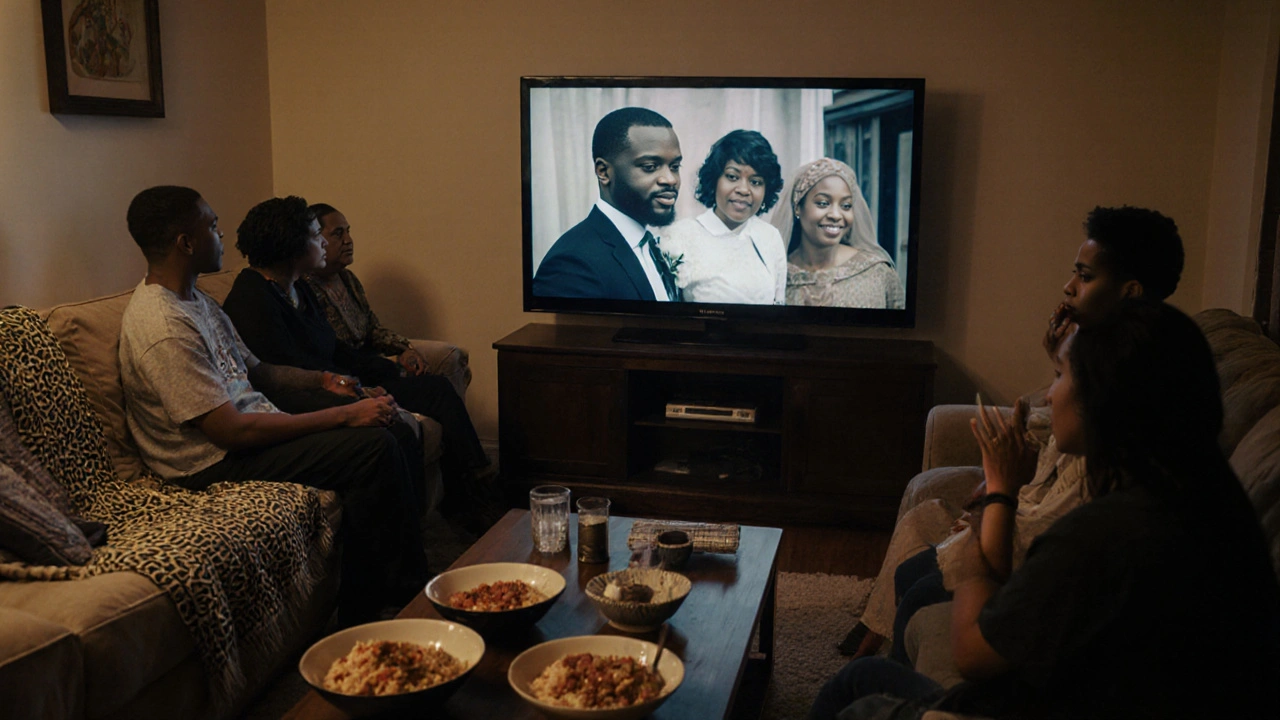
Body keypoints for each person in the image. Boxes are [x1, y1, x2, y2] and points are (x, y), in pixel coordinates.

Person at [811, 300, 1280, 720]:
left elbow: (973, 655)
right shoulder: (1209, 495)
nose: (1050, 394)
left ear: (1102, 398)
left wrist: (975, 547)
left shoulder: (1103, 535)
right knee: (859, 678)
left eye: (1060, 376)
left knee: (863, 700)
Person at [839, 205, 1186, 660]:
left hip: (1020, 533)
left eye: (1084, 276)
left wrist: (996, 495)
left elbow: (1043, 508)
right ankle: (873, 629)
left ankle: (875, 648)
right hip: (1019, 514)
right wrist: (1059, 360)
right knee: (920, 513)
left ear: (1130, 292)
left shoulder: (1124, 408)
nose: (1068, 287)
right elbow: (1051, 429)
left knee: (919, 573)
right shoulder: (1104, 367)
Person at [118, 186, 429, 626]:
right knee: (372, 447)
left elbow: (258, 371)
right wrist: (343, 415)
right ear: (185, 243)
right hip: (210, 462)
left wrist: (330, 382)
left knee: (392, 425)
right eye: (211, 225)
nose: (222, 232)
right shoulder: (163, 326)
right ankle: (380, 607)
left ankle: (396, 589)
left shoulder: (197, 301)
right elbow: (230, 432)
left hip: (251, 429)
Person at [220, 196, 495, 523]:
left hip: (341, 384)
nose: (324, 242)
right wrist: (359, 392)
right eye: (316, 235)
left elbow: (336, 349)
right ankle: (405, 547)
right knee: (395, 428)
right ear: (291, 245)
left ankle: (471, 496)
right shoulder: (253, 299)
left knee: (433, 387)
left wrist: (390, 370)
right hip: (300, 402)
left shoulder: (297, 288)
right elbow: (287, 377)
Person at [303, 203, 468, 398]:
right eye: (338, 234)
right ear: (314, 240)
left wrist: (404, 348)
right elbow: (330, 351)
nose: (348, 241)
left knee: (444, 371)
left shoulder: (347, 279)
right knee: (438, 389)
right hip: (349, 376)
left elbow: (372, 328)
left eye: (348, 232)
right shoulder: (305, 289)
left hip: (373, 366)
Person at [532, 107, 683, 301]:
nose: (670, 179)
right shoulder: (572, 264)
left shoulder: (652, 246)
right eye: (650, 167)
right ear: (603, 172)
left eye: (675, 167)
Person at [658, 129, 787, 304]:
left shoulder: (770, 237)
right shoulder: (679, 236)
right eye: (732, 177)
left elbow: (778, 305)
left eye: (755, 182)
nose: (743, 189)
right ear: (714, 180)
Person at [771, 158, 904, 309]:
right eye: (823, 203)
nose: (836, 215)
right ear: (797, 207)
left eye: (846, 206)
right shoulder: (777, 275)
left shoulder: (877, 273)